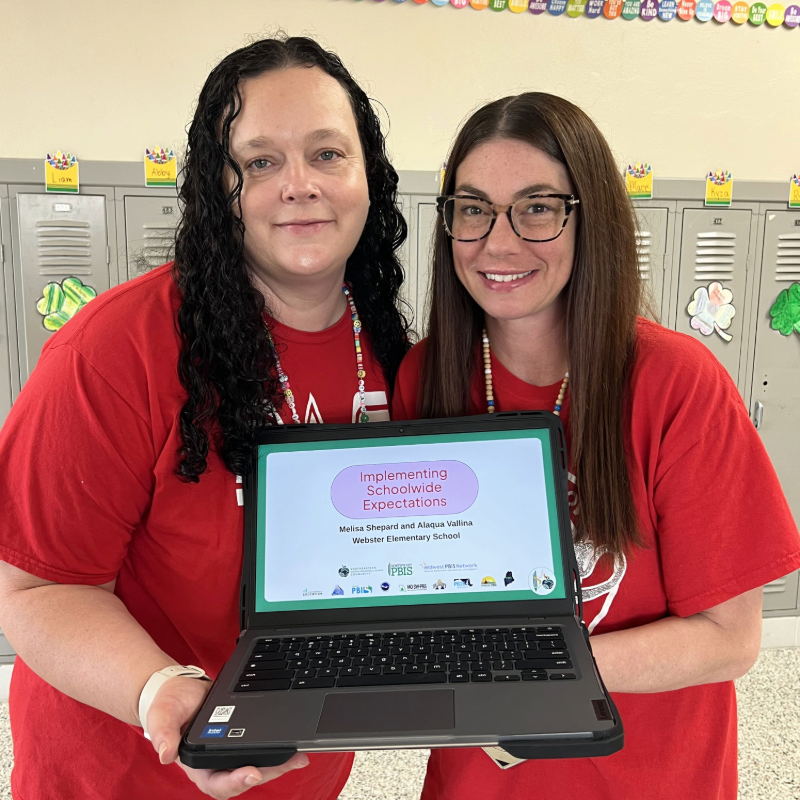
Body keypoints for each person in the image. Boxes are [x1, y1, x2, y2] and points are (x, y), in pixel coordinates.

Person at [0, 36, 411, 800]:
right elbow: (32, 590)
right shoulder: (114, 350)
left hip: (303, 773)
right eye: (259, 162)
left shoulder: (391, 352)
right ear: (215, 188)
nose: (299, 185)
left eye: (327, 154)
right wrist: (160, 692)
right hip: (127, 770)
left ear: (369, 176)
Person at [391, 92, 800, 800]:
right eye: (473, 208)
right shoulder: (426, 377)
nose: (499, 241)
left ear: (591, 218)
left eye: (538, 207)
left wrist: (529, 671)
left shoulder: (676, 382)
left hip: (647, 778)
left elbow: (730, 637)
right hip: (477, 782)